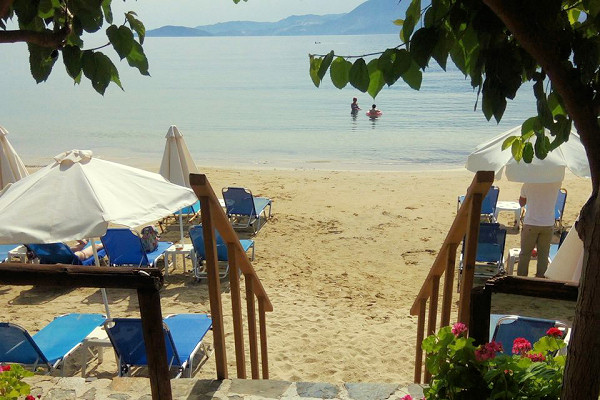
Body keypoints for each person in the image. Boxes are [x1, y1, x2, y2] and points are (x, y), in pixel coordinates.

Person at [517, 181, 562, 277]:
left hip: (531, 223)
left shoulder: (528, 183)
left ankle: (521, 279)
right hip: (548, 223)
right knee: (543, 255)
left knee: (525, 254)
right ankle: (540, 280)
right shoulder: (556, 183)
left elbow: (521, 203)